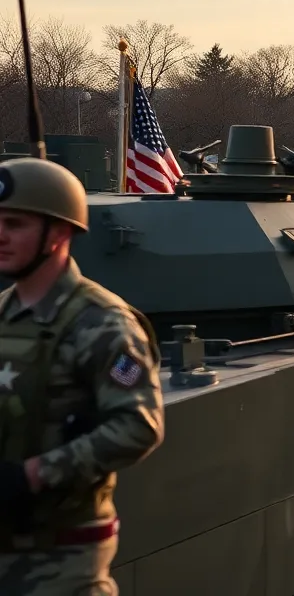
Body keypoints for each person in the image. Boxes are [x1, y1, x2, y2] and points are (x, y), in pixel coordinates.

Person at [0, 157, 164, 592]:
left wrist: (34, 475)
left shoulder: (103, 324)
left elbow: (138, 425)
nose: (0, 235)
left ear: (58, 232)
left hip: (60, 563)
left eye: (14, 224)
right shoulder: (3, 313)